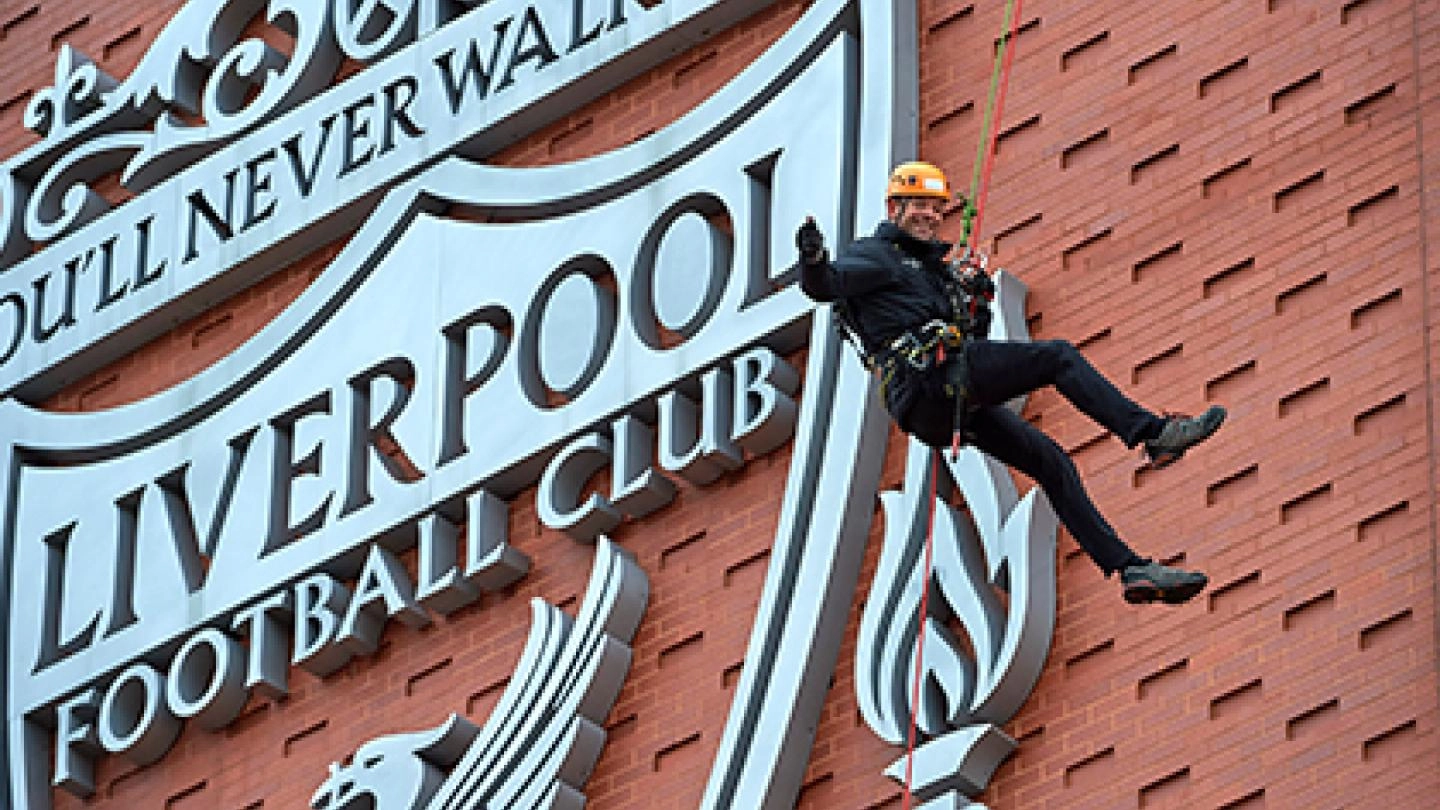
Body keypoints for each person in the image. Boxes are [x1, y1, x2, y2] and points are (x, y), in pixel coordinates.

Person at [797, 161, 1225, 605]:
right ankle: (1152, 434)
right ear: (894, 208)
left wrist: (975, 302)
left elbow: (973, 341)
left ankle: (1130, 569)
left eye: (935, 208)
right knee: (1057, 358)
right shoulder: (877, 255)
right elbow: (827, 285)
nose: (929, 215)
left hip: (943, 400)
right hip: (930, 382)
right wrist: (812, 258)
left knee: (1050, 460)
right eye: (919, 205)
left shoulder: (934, 273)